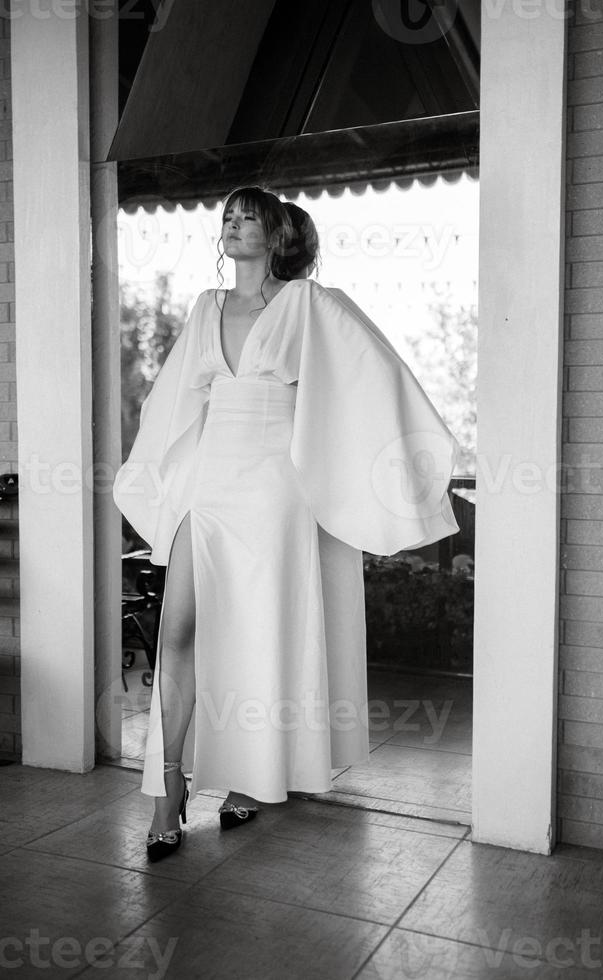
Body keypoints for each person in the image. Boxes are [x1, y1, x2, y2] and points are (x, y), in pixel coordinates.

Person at [113, 185, 460, 862]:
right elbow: (172, 400)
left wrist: (400, 462)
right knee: (178, 629)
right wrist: (163, 475)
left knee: (258, 633)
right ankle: (168, 790)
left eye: (248, 216)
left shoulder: (309, 303)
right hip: (209, 485)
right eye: (227, 216)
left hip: (276, 488)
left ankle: (249, 778)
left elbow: (373, 374)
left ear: (276, 235)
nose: (233, 223)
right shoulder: (206, 307)